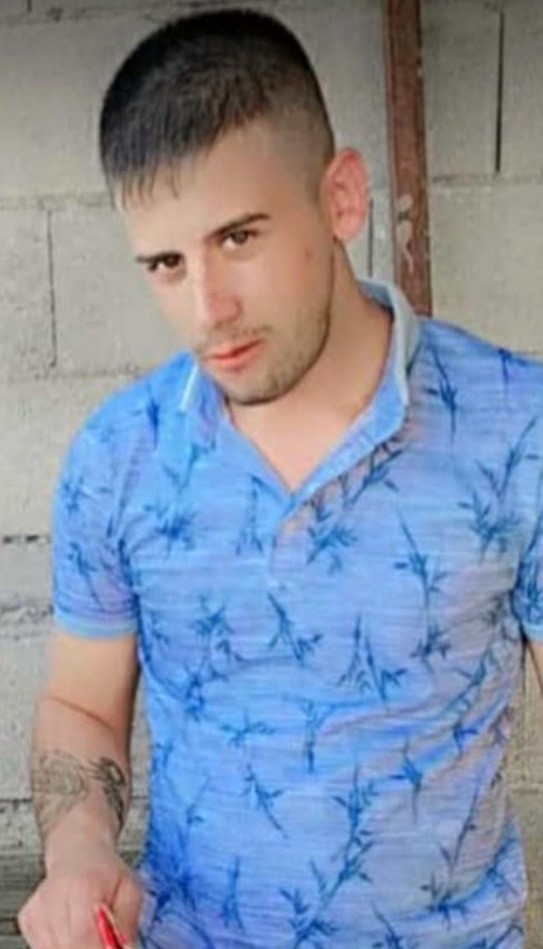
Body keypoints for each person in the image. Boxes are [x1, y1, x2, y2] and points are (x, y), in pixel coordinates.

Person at [17, 7, 543, 949]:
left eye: (239, 238)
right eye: (166, 263)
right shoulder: (119, 457)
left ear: (340, 198)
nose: (208, 308)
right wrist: (80, 852)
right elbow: (82, 706)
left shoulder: (517, 427)